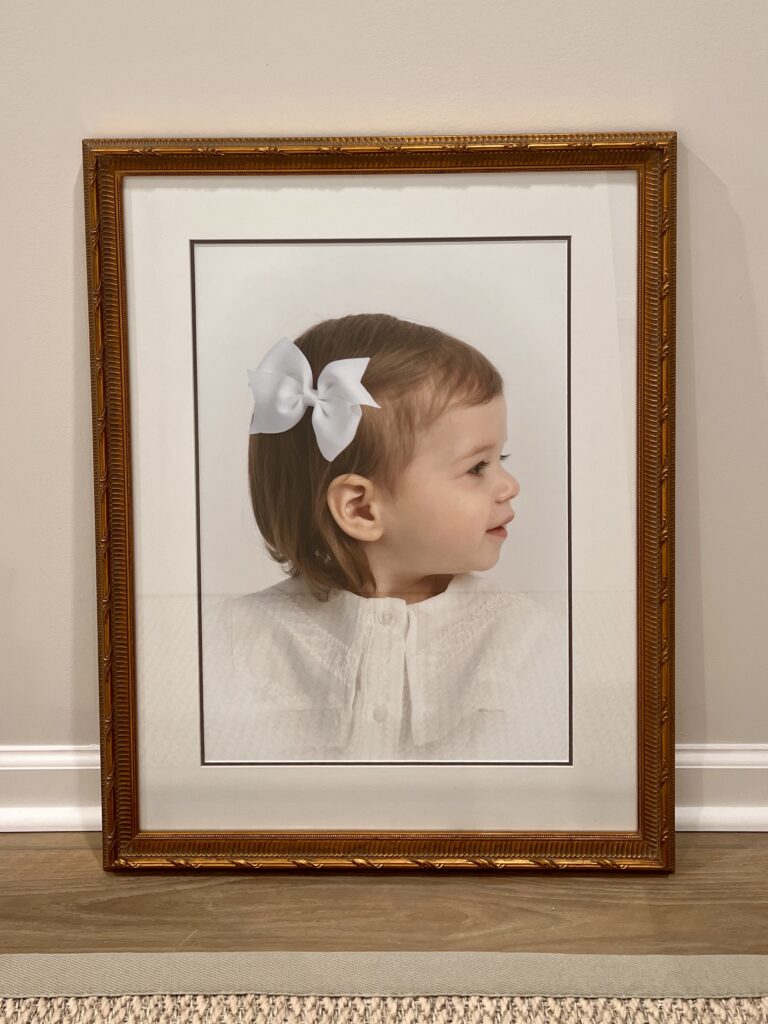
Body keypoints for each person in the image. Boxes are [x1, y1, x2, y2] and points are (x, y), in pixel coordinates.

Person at [202, 313, 569, 763]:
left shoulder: (527, 640)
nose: (509, 485)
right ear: (360, 507)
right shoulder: (235, 642)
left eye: (501, 457)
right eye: (477, 467)